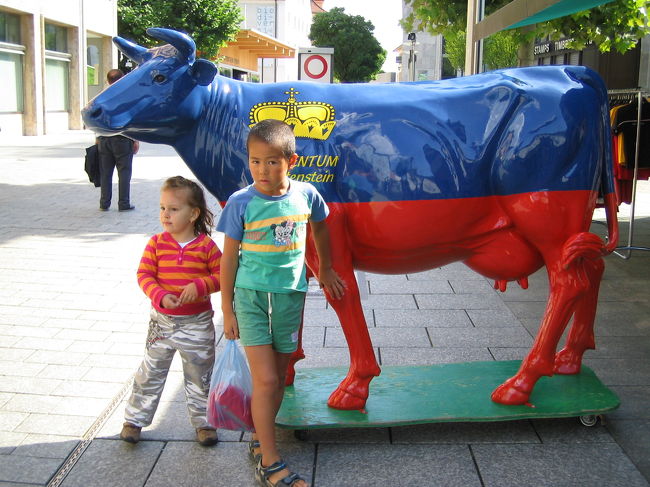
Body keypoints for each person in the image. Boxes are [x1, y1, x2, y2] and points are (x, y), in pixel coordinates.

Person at [218, 120, 345, 487]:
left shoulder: (306, 195)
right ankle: (271, 461)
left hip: (290, 296)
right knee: (267, 378)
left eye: (272, 162)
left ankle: (261, 438)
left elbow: (320, 226)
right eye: (255, 162)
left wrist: (326, 269)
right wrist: (227, 309)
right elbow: (229, 259)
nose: (262, 170)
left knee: (278, 379)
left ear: (292, 160)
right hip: (251, 297)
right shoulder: (241, 202)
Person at [120, 176, 221, 447]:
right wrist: (160, 295)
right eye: (163, 208)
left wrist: (201, 285)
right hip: (162, 323)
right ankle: (134, 419)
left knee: (200, 375)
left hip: (197, 323)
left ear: (193, 214)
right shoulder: (156, 243)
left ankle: (204, 422)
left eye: (174, 209)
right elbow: (144, 275)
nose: (166, 214)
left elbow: (223, 274)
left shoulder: (206, 246)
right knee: (150, 371)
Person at [97, 69, 139, 211]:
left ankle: (104, 202)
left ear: (108, 80)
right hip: (122, 139)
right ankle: (123, 203)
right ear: (122, 79)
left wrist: (97, 136)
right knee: (124, 172)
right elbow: (131, 118)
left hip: (104, 139)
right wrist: (135, 139)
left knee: (106, 173)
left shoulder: (101, 96)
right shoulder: (126, 96)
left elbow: (96, 117)